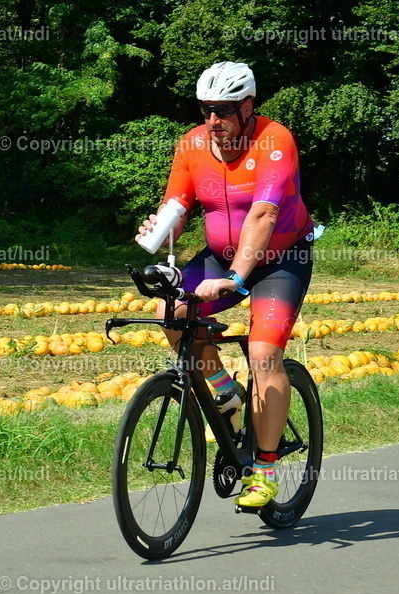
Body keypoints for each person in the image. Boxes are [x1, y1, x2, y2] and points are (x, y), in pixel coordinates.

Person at [135, 61, 315, 508]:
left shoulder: (274, 141)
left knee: (263, 354)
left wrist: (236, 279)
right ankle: (224, 390)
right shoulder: (193, 144)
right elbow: (178, 203)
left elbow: (264, 214)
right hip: (220, 255)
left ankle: (265, 470)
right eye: (206, 109)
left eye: (224, 109)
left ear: (248, 107)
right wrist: (161, 229)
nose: (213, 119)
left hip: (279, 259)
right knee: (170, 312)